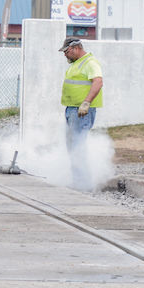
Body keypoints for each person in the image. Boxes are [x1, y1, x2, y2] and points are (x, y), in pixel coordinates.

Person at [59, 37, 103, 190]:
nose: (65, 55)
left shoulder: (90, 63)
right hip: (72, 109)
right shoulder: (76, 64)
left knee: (77, 144)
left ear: (76, 48)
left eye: (67, 51)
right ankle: (78, 180)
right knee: (72, 145)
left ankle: (83, 183)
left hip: (81, 111)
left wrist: (87, 102)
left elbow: (98, 81)